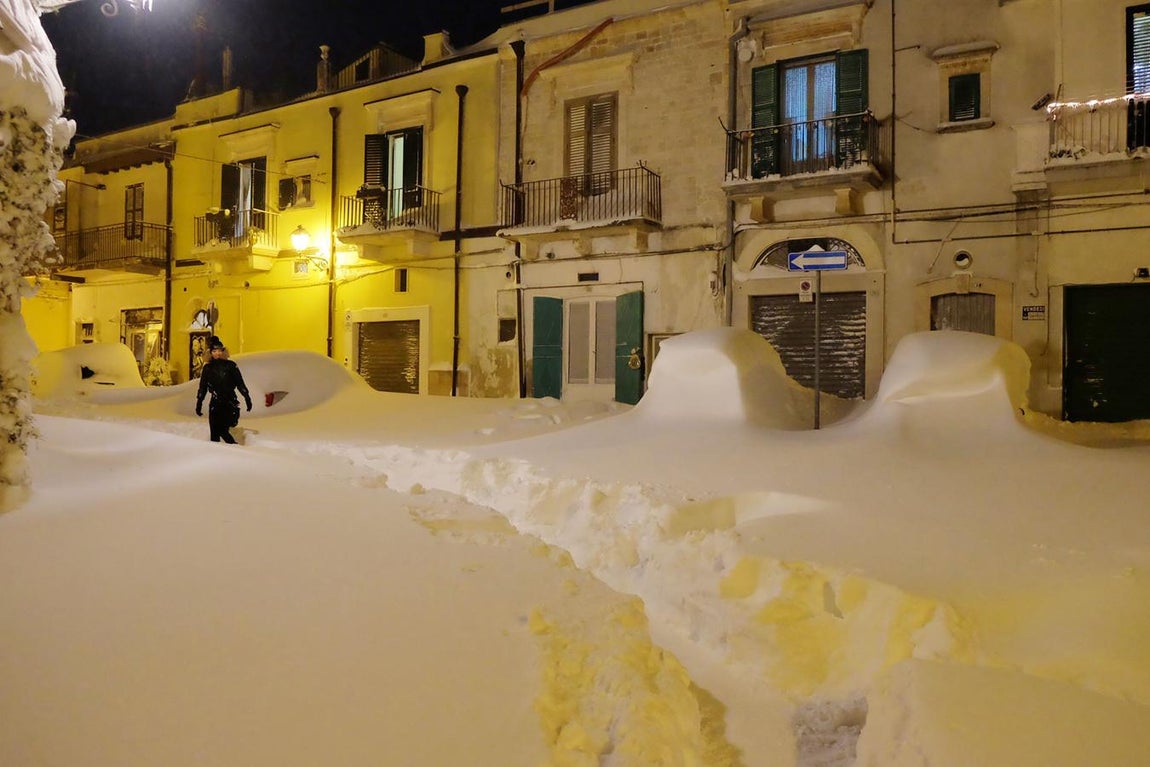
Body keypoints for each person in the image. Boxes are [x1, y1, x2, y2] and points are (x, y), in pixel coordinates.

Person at [195, 336, 252, 444]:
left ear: (223, 351)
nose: (217, 353)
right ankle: (218, 457)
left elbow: (240, 383)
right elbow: (203, 387)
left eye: (220, 350)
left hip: (229, 402)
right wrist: (199, 402)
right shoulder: (208, 368)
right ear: (210, 353)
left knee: (222, 430)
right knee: (214, 434)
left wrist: (247, 397)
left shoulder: (231, 366)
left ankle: (235, 450)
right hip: (215, 403)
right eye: (214, 351)